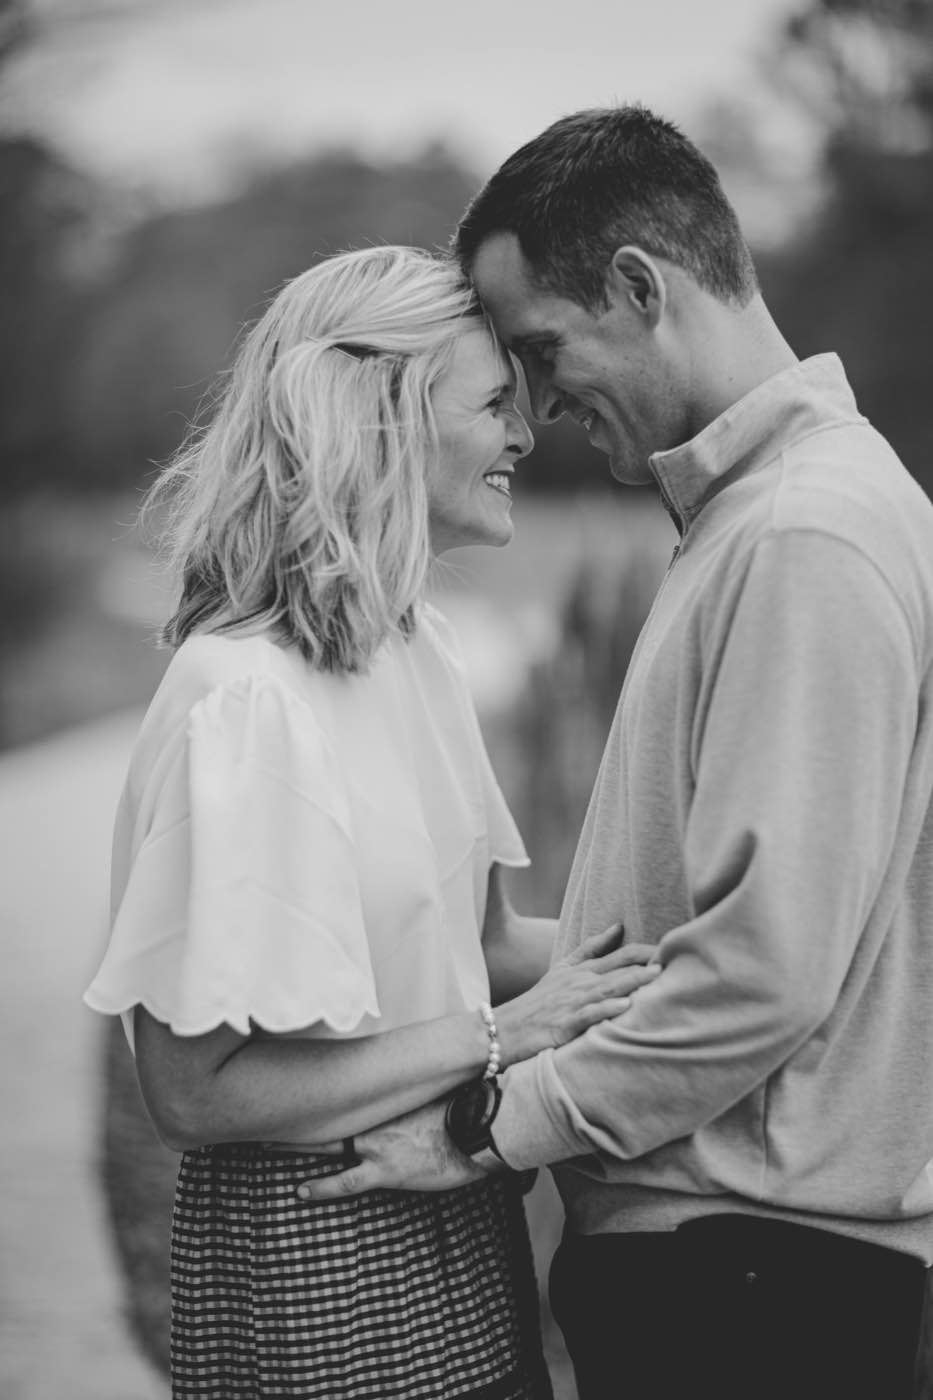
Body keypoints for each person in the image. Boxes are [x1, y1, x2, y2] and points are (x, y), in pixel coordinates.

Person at [295, 108, 933, 1400]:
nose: (533, 406)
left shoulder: (799, 537)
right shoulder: (764, 519)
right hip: (747, 1269)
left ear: (640, 287)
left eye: (541, 349)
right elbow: (671, 936)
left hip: (752, 1283)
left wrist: (490, 1129)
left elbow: (761, 971)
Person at [82, 244, 662, 1400]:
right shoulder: (243, 698)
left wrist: (704, 957)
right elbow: (190, 1089)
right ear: (383, 416)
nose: (524, 436)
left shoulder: (420, 650)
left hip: (459, 1204)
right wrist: (503, 1038)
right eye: (494, 402)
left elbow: (485, 948)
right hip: (314, 1250)